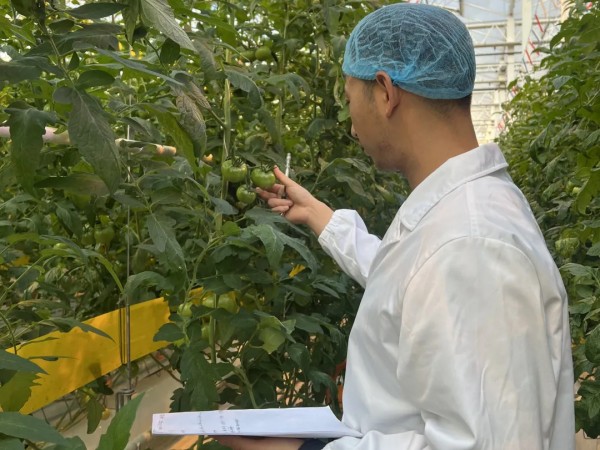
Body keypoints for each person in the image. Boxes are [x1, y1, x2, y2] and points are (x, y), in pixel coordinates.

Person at [216, 3, 575, 449]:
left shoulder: (472, 246)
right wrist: (318, 215)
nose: (351, 128)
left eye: (350, 100)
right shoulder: (460, 221)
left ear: (386, 92)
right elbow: (410, 284)